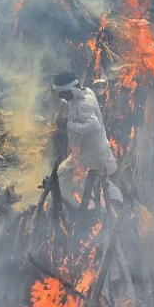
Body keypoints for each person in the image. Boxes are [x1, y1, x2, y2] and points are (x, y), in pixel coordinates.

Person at [53, 72, 124, 207]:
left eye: (62, 92)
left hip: (92, 154)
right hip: (82, 152)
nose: (60, 96)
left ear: (71, 90)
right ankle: (76, 205)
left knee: (101, 183)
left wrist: (68, 125)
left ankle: (115, 205)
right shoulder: (84, 93)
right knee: (63, 176)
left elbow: (94, 126)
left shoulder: (84, 104)